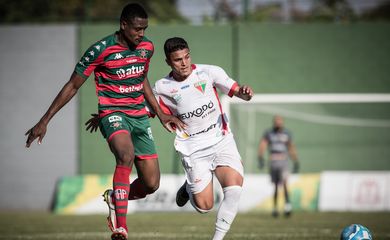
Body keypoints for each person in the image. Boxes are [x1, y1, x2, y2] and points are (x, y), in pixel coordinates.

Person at [25, 3, 185, 240]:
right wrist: (44, 120)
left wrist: (160, 113)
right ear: (123, 25)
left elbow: (141, 79)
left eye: (144, 29)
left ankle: (114, 197)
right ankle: (121, 227)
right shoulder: (99, 50)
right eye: (137, 29)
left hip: (139, 116)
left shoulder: (147, 48)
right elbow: (72, 85)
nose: (141, 34)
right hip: (112, 114)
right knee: (126, 155)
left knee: (151, 184)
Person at [156, 37, 253, 240]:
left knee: (234, 190)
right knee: (204, 207)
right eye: (178, 60)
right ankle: (188, 188)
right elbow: (153, 112)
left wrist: (245, 93)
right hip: (193, 149)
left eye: (187, 56)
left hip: (221, 140)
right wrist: (166, 117)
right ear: (168, 62)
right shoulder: (162, 87)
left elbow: (238, 92)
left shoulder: (209, 72)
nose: (184, 63)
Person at [257, 115, 299, 217]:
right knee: (275, 185)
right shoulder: (269, 133)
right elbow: (263, 145)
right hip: (273, 161)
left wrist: (295, 160)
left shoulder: (286, 133)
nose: (278, 123)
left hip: (283, 161)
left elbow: (291, 147)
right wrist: (260, 158)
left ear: (282, 122)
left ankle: (287, 206)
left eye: (280, 121)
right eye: (276, 121)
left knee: (284, 183)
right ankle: (275, 208)